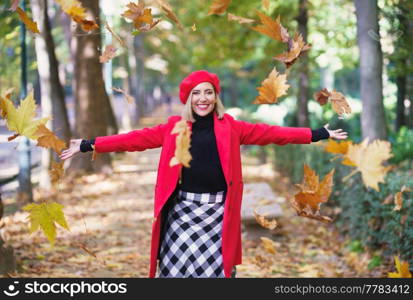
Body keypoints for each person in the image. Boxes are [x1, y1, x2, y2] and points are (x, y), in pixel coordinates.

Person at [60, 70, 348, 278]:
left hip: (219, 212)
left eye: (208, 92)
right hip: (183, 212)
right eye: (196, 93)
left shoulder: (231, 126)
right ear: (188, 99)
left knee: (217, 273)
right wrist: (88, 144)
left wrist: (316, 133)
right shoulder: (175, 126)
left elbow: (272, 133)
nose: (203, 98)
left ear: (215, 96)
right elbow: (133, 139)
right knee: (176, 271)